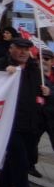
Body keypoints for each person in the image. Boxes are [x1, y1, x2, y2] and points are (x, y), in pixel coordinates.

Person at [0, 37, 50, 187]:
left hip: (30, 123)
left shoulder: (34, 68)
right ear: (11, 49)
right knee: (21, 160)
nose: (23, 52)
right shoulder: (0, 64)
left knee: (20, 157)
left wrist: (47, 91)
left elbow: (44, 90)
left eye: (26, 49)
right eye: (19, 48)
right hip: (9, 123)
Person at [31, 48, 54, 177]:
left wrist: (50, 93)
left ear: (52, 61)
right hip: (38, 115)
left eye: (46, 59)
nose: (43, 61)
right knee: (32, 142)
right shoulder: (33, 74)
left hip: (52, 115)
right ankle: (30, 165)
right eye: (40, 58)